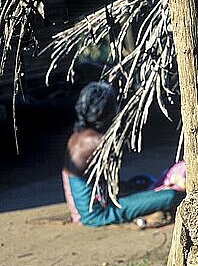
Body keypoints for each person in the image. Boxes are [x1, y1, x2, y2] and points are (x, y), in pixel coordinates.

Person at [62, 81, 185, 228]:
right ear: (107, 112)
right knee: (171, 196)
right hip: (98, 214)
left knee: (143, 182)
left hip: (92, 208)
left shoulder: (78, 136)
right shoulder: (95, 141)